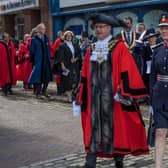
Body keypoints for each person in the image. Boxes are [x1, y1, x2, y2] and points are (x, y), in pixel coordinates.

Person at [77, 13, 149, 168]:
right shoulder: (91, 49)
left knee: (117, 130)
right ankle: (90, 161)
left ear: (109, 28)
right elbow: (85, 74)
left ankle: (118, 160)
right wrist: (81, 96)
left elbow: (127, 72)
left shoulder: (120, 47)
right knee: (93, 128)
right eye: (96, 27)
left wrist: (124, 92)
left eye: (102, 27)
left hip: (113, 99)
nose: (98, 30)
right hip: (94, 99)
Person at [150, 13, 168, 168]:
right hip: (160, 96)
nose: (163, 31)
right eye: (162, 28)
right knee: (160, 131)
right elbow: (152, 76)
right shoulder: (157, 49)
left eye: (166, 28)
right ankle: (158, 166)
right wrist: (151, 100)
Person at [28, 23, 53, 99]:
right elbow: (31, 51)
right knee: (38, 78)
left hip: (46, 61)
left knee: (47, 77)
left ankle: (44, 91)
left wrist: (50, 58)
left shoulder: (46, 38)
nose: (44, 30)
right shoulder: (34, 40)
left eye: (44, 29)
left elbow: (48, 49)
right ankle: (37, 93)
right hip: (38, 61)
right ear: (38, 30)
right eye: (43, 29)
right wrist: (33, 61)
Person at [56, 30, 82, 102]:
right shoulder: (62, 45)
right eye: (67, 36)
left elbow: (79, 54)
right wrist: (62, 65)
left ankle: (73, 93)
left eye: (70, 36)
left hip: (75, 65)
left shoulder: (75, 45)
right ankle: (69, 97)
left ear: (72, 37)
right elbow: (60, 56)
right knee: (68, 82)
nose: (68, 37)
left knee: (76, 81)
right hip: (66, 65)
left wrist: (75, 59)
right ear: (65, 37)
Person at [142, 28, 160, 92]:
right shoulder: (144, 49)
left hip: (159, 75)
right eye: (149, 38)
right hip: (147, 75)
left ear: (156, 38)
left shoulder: (160, 48)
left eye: (152, 37)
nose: (151, 39)